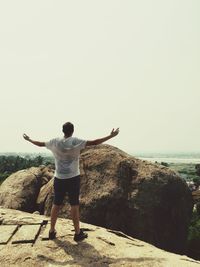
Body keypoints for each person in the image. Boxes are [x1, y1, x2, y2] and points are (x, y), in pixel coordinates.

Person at [23, 122, 119, 242]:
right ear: (72, 131)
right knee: (74, 205)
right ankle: (77, 233)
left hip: (59, 178)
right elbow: (94, 142)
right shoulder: (75, 141)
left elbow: (40, 144)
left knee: (56, 204)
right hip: (73, 178)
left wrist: (29, 139)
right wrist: (111, 136)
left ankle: (52, 231)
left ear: (63, 130)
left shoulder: (55, 142)